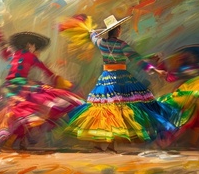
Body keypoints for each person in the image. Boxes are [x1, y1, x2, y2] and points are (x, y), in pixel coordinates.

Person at [60, 14, 175, 153]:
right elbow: (137, 60)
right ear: (118, 30)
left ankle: (98, 144)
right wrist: (156, 70)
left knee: (103, 110)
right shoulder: (122, 44)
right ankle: (109, 146)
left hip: (106, 78)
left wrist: (91, 31)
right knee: (119, 111)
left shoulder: (101, 43)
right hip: (122, 79)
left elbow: (93, 35)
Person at [0, 29, 84, 151]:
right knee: (34, 107)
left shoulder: (13, 55)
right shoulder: (31, 56)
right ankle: (13, 140)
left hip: (8, 87)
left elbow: (4, 52)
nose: (36, 49)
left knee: (20, 112)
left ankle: (16, 141)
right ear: (29, 45)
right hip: (21, 86)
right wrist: (59, 81)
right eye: (34, 46)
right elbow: (46, 70)